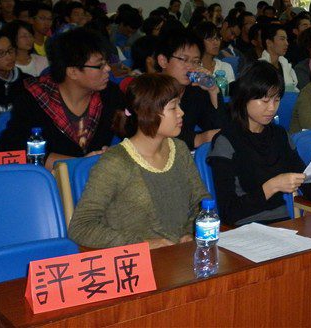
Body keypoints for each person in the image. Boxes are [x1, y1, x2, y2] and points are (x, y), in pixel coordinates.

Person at [68, 74, 210, 249]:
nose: (181, 112)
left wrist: (191, 232)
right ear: (147, 112)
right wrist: (142, 244)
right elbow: (81, 227)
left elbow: (202, 201)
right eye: (173, 107)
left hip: (181, 253)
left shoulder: (179, 149)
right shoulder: (115, 162)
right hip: (139, 260)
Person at [208, 61, 311, 226]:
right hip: (246, 228)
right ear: (244, 97)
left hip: (283, 225)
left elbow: (308, 189)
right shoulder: (226, 141)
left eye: (276, 100)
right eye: (265, 101)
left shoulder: (280, 136)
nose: (272, 108)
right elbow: (228, 212)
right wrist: (272, 187)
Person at [0, 28, 122, 168]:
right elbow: (13, 148)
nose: (108, 69)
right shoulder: (34, 98)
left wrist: (115, 152)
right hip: (49, 178)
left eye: (107, 62)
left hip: (97, 176)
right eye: (100, 65)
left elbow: (132, 131)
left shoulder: (110, 94)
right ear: (73, 72)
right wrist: (77, 165)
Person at [155, 30, 229, 150]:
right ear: (163, 61)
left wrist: (213, 90)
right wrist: (197, 139)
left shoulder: (195, 91)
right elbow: (152, 134)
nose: (190, 66)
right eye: (184, 59)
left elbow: (218, 127)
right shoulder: (148, 91)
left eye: (195, 61)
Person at [259, 23, 298, 92]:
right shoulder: (259, 68)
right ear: (269, 42)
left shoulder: (286, 65)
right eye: (282, 39)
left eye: (286, 39)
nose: (287, 43)